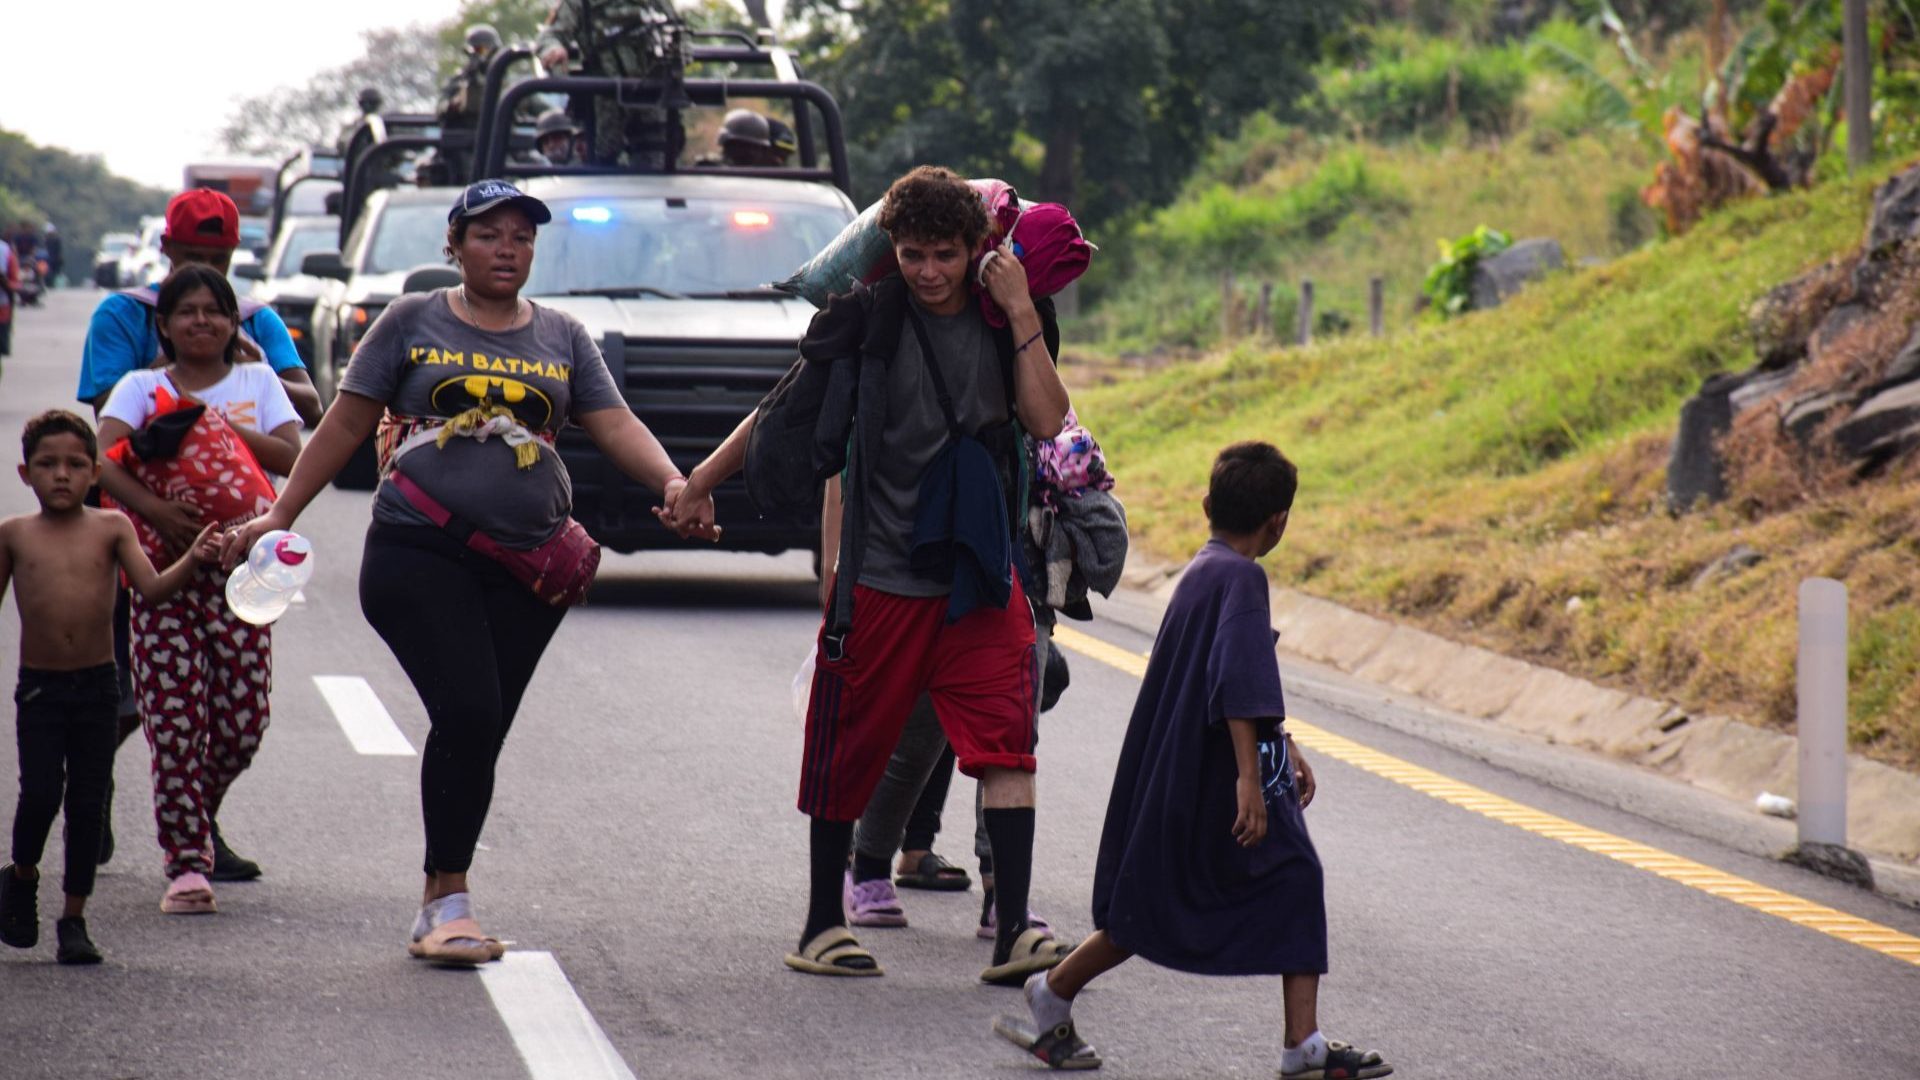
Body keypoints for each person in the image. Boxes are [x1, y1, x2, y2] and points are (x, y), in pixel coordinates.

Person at [223, 178, 708, 965]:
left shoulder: (563, 335)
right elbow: (346, 421)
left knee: (477, 729)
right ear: (454, 244)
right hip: (418, 551)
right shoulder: (411, 320)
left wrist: (675, 483)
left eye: (521, 235)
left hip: (528, 567)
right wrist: (280, 514)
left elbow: (615, 422)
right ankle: (449, 902)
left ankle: (438, 903)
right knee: (474, 714)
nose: (506, 248)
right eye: (488, 234)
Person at [668, 165, 1073, 983]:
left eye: (946, 255)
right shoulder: (866, 321)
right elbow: (780, 411)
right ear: (893, 248)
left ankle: (1012, 936)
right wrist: (697, 482)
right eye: (914, 253)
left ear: (975, 251)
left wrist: (1024, 307)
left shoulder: (1008, 322)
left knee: (1008, 748)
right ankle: (823, 923)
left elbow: (1045, 417)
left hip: (980, 583)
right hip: (882, 579)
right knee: (844, 748)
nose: (929, 271)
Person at [991, 442, 1394, 1079]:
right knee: (1293, 875)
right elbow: (1236, 678)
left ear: (1207, 505)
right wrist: (1252, 781)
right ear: (1279, 522)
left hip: (1188, 763)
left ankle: (1054, 994)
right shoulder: (1243, 578)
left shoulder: (1204, 568)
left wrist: (1282, 741)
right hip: (1224, 768)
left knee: (1155, 897)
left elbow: (1236, 668)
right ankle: (1302, 1045)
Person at [95, 265, 304, 916]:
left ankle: (193, 816)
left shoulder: (259, 382)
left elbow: (293, 459)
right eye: (186, 312)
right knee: (176, 723)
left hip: (244, 579)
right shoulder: (138, 387)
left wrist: (211, 426)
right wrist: (153, 512)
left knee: (243, 725)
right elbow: (100, 459)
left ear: (234, 321)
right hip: (163, 576)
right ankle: (185, 860)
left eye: (215, 311)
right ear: (164, 325)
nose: (201, 322)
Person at [0, 411, 219, 963]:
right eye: (48, 465)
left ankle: (73, 918)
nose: (62, 476)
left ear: (95, 471)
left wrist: (193, 559)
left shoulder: (112, 529)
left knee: (88, 802)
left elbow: (152, 588)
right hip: (41, 690)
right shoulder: (14, 534)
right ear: (26, 473)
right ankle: (21, 876)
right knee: (41, 794)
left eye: (76, 465)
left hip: (98, 687)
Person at [78, 190, 322, 426]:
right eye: (193, 257)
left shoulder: (258, 319)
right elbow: (107, 411)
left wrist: (261, 375)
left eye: (218, 259)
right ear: (166, 246)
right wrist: (182, 365)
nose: (206, 269)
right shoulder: (122, 314)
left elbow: (312, 410)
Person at [537, 0, 690, 168]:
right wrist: (553, 49)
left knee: (658, 168)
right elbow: (549, 36)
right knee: (602, 167)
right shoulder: (579, 3)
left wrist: (678, 49)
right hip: (605, 103)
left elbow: (679, 33)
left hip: (652, 100)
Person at [438, 24, 503, 181]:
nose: (483, 56)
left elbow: (534, 106)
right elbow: (440, 109)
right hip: (465, 145)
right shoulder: (457, 81)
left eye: (487, 50)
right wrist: (455, 104)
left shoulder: (505, 83)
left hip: (502, 142)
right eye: (479, 50)